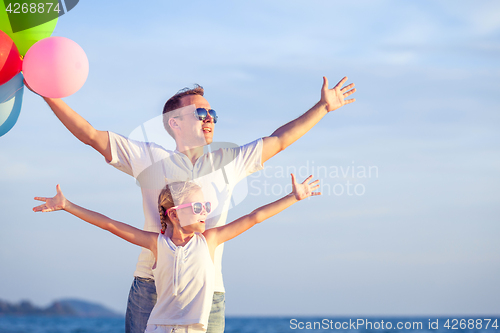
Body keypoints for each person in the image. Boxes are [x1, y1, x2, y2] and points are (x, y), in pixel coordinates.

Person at [31, 76, 355, 333]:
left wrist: (323, 108)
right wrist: (47, 93)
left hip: (208, 292)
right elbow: (89, 134)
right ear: (175, 123)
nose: (209, 119)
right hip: (150, 287)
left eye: (212, 114)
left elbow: (280, 139)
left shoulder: (230, 161)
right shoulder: (148, 158)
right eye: (200, 113)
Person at [32, 174, 321, 333]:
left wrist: (293, 197)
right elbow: (110, 225)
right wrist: (67, 205)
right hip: (157, 329)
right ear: (173, 214)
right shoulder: (156, 244)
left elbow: (254, 217)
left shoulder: (209, 240)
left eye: (206, 207)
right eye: (197, 208)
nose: (205, 213)